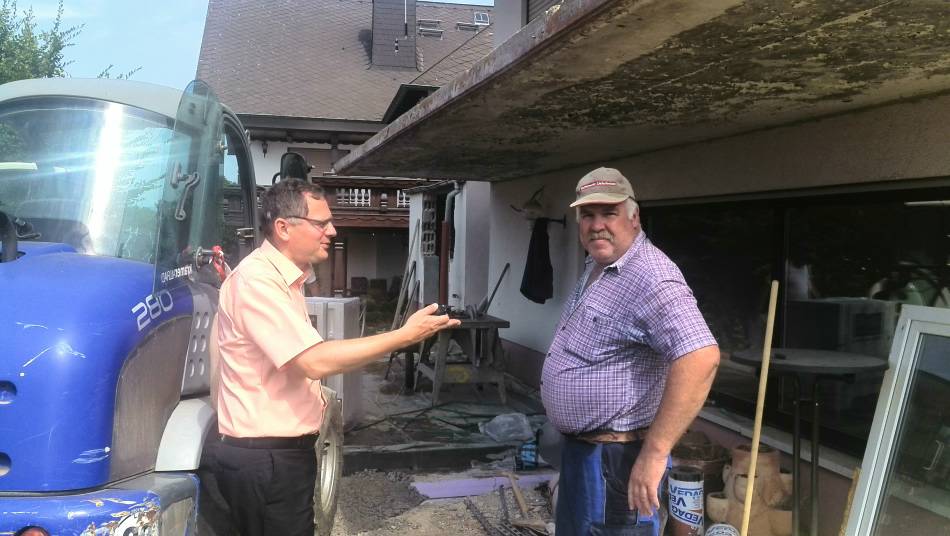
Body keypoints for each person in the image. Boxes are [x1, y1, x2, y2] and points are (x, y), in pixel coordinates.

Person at [212, 178, 459, 535]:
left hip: (277, 456)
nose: (332, 230)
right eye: (321, 223)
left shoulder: (285, 281)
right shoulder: (257, 282)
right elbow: (314, 360)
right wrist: (402, 336)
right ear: (283, 228)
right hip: (265, 459)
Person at [541, 167, 720, 536]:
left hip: (618, 462)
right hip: (584, 456)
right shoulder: (598, 264)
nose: (596, 225)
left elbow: (701, 357)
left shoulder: (651, 276)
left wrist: (654, 455)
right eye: (587, 215)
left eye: (609, 213)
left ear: (634, 218)